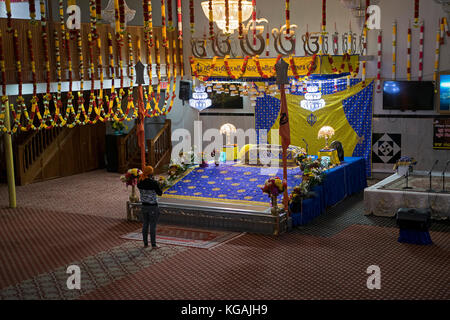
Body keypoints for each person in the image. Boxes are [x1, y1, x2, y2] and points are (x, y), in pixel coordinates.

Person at [137, 166, 163, 249]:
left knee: (145, 224)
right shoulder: (153, 183)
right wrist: (160, 184)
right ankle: (154, 244)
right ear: (150, 173)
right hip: (152, 206)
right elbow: (160, 193)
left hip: (144, 205)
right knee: (152, 225)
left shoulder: (140, 181)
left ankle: (145, 243)